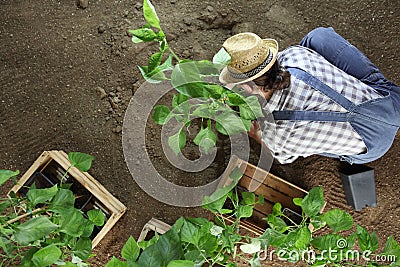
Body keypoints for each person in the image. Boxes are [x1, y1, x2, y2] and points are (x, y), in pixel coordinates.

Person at [219, 27, 400, 164]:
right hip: (389, 104)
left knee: (291, 145)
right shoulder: (295, 55)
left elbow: (284, 157)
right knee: (318, 37)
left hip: (375, 146)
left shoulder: (277, 134)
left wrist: (257, 134)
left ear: (248, 89)